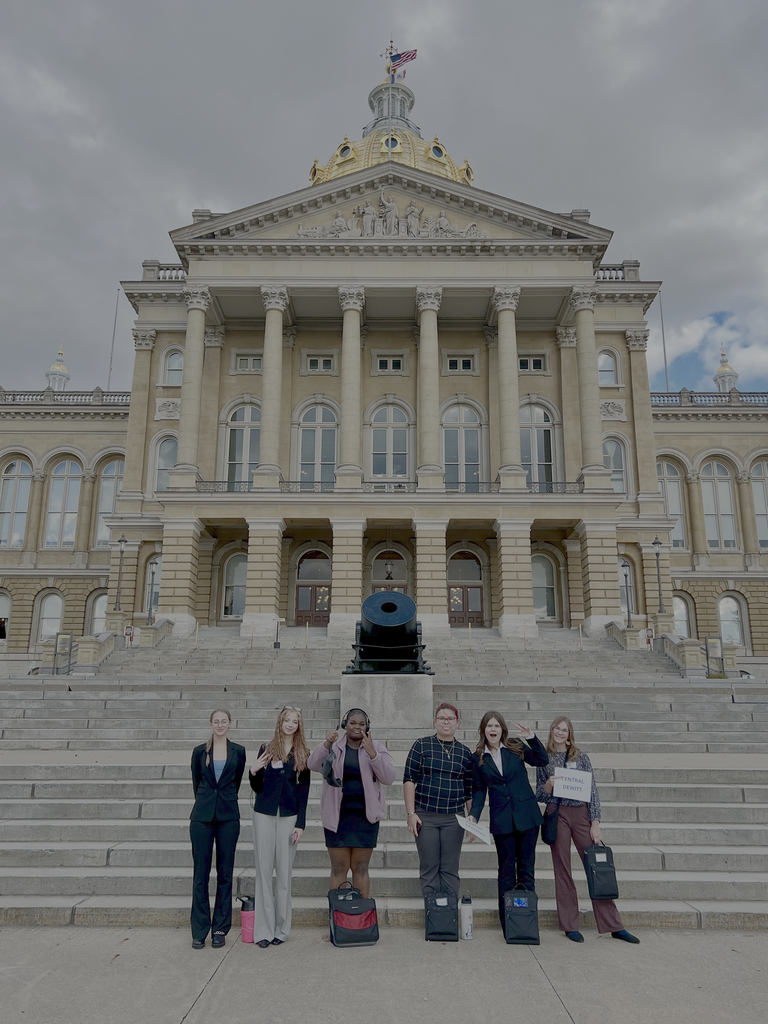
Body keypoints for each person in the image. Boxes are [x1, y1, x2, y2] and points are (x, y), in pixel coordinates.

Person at [535, 716, 640, 944]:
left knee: (596, 868)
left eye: (564, 730)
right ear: (551, 731)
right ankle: (570, 925)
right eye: (557, 728)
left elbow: (592, 791)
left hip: (581, 814)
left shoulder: (581, 757)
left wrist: (595, 822)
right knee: (562, 869)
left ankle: (613, 924)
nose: (560, 733)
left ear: (570, 735)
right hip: (558, 813)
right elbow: (540, 795)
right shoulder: (544, 759)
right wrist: (548, 785)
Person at [468, 711, 549, 931]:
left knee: (526, 870)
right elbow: (478, 790)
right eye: (488, 726)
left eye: (496, 726)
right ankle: (508, 922)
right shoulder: (478, 757)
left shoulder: (516, 746)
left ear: (502, 729)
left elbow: (542, 760)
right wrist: (473, 815)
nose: (493, 729)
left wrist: (531, 736)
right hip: (502, 821)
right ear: (483, 730)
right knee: (505, 872)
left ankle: (528, 920)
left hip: (527, 817)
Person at [307, 708, 395, 900]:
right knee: (339, 868)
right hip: (337, 818)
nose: (357, 727)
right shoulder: (334, 746)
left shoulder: (377, 747)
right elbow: (312, 764)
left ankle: (360, 922)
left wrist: (373, 755)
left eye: (361, 724)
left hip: (365, 818)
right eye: (352, 723)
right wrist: (325, 745)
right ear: (344, 725)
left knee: (361, 868)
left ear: (367, 727)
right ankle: (337, 924)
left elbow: (389, 777)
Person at [249, 705, 311, 948]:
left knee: (284, 874)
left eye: (294, 721)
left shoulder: (302, 753)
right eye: (287, 720)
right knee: (263, 873)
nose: (290, 724)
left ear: (299, 725)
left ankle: (281, 929)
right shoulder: (267, 748)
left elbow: (304, 792)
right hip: (263, 814)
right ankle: (263, 930)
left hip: (288, 817)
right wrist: (253, 771)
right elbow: (257, 786)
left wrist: (301, 825)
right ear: (280, 722)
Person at [403, 702, 474, 900]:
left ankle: (448, 916)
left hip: (454, 818)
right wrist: (411, 813)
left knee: (450, 868)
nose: (446, 722)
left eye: (450, 719)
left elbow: (468, 790)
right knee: (429, 866)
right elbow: (409, 779)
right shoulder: (422, 745)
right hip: (426, 816)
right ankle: (433, 914)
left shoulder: (465, 753)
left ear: (457, 723)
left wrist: (472, 818)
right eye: (442, 718)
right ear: (435, 721)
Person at [189, 708, 246, 950]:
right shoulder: (199, 751)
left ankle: (220, 929)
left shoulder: (239, 752)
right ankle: (199, 930)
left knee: (225, 873)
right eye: (216, 721)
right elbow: (196, 780)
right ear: (210, 724)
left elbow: (238, 780)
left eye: (224, 721)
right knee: (200, 874)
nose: (220, 725)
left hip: (228, 816)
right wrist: (205, 802)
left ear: (230, 724)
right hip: (202, 817)